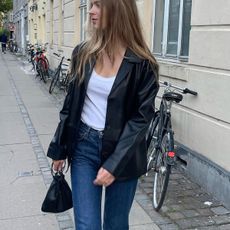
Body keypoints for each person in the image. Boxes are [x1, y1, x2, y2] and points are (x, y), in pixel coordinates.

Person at [47, 0, 159, 229]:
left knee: (115, 225)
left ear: (118, 9)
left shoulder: (143, 63)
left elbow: (141, 119)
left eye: (98, 5)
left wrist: (114, 163)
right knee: (87, 225)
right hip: (84, 147)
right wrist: (59, 148)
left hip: (124, 153)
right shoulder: (83, 53)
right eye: (90, 4)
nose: (90, 11)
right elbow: (71, 104)